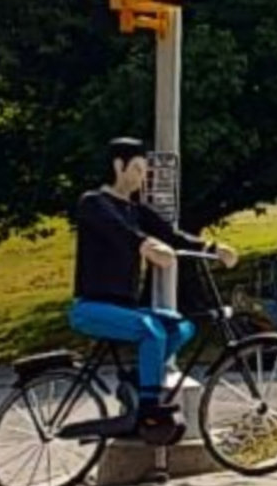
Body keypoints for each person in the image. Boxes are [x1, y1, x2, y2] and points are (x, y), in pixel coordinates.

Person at [69, 137, 234, 434]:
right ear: (118, 166)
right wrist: (145, 246)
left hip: (124, 308)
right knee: (151, 330)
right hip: (92, 307)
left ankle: (137, 381)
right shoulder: (93, 203)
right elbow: (118, 232)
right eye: (137, 168)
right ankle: (148, 410)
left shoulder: (136, 210)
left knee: (180, 327)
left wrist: (212, 248)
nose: (141, 176)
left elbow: (172, 235)